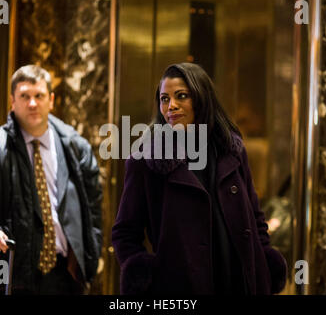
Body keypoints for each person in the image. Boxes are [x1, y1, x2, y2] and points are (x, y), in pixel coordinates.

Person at [112, 62, 287, 295]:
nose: (171, 106)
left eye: (181, 96)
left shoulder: (232, 151)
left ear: (202, 98)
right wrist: (147, 276)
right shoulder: (146, 161)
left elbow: (255, 218)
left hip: (242, 283)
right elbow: (125, 233)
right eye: (164, 99)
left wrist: (265, 260)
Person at [0, 65, 102, 294]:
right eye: (24, 96)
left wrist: (90, 257)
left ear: (50, 99)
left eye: (39, 95)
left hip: (65, 274)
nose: (32, 103)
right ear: (12, 100)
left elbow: (93, 209)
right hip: (12, 274)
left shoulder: (76, 146)